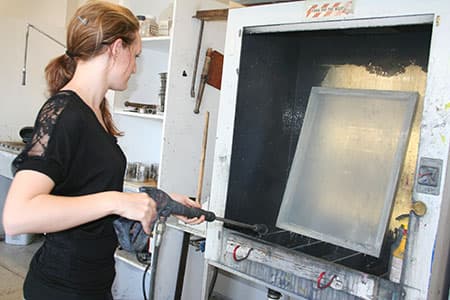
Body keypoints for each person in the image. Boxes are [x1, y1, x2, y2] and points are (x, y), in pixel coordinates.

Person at [2, 1, 203, 299]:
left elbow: (87, 187)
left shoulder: (94, 112)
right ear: (115, 48)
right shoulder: (64, 113)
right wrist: (116, 201)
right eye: (135, 56)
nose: (135, 68)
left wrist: (161, 199)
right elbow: (18, 215)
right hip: (62, 289)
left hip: (92, 282)